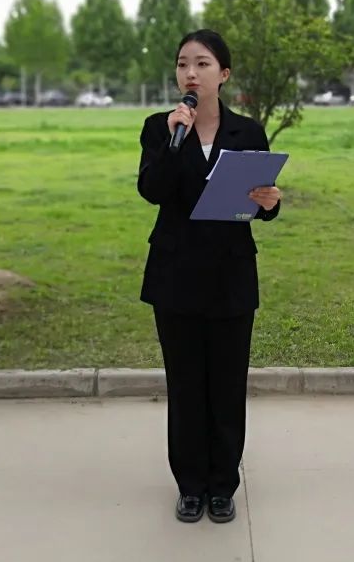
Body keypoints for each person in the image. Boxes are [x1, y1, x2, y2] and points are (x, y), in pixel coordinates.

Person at [136, 29, 282, 524]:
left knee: (226, 385)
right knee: (185, 386)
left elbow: (257, 203)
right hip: (175, 274)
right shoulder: (160, 127)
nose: (190, 73)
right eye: (183, 64)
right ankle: (190, 486)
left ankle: (222, 485)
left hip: (230, 274)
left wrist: (270, 203)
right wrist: (173, 140)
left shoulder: (248, 132)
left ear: (224, 74)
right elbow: (152, 191)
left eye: (202, 63)